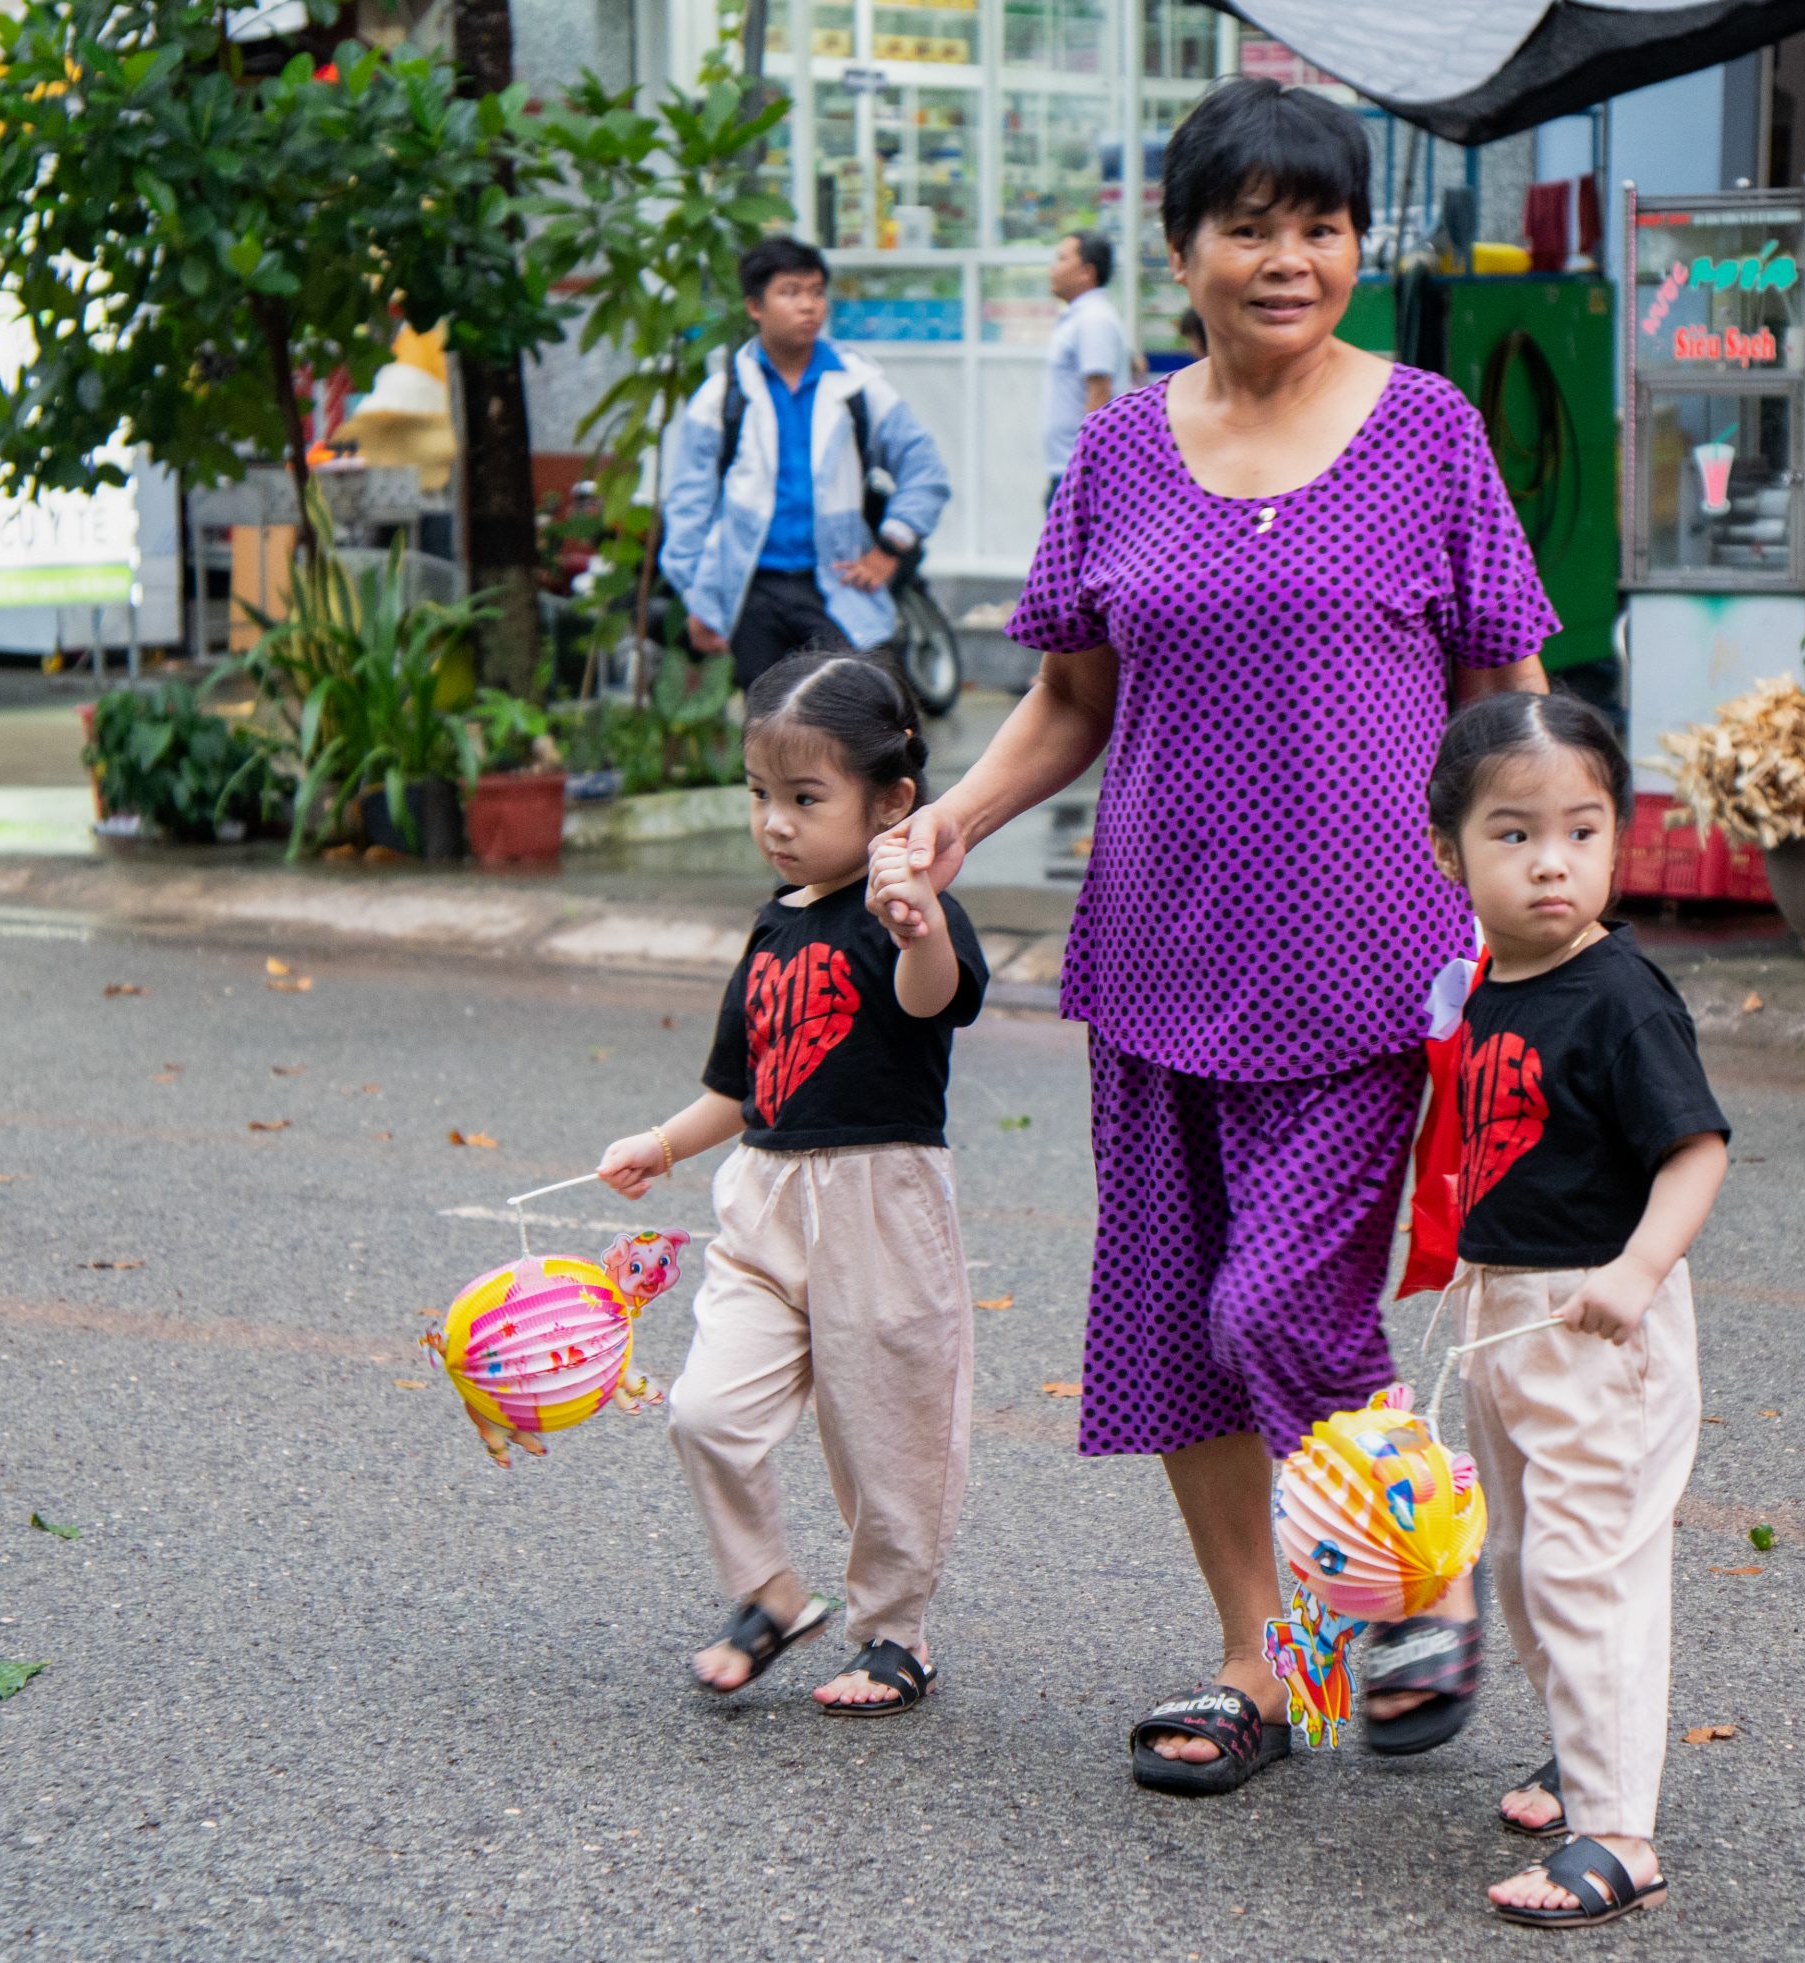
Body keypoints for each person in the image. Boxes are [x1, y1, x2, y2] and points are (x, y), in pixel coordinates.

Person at [867, 75, 1556, 1796]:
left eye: (1318, 225)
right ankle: (1263, 1656)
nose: (1288, 258)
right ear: (1179, 251)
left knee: (1278, 1303)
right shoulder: (1115, 449)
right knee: (1178, 1323)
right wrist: (957, 813)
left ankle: (1415, 1582)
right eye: (1248, 225)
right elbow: (1070, 693)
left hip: (1368, 954)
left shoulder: (1429, 432)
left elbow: (1506, 693)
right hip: (1160, 949)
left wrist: (1536, 890)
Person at [596, 652, 989, 1714]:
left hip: (879, 1205)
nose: (775, 820)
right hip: (763, 1201)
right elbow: (739, 1082)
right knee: (704, 1409)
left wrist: (917, 925)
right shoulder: (772, 924)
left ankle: (894, 1633)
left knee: (888, 1435)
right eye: (760, 794)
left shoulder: (909, 913)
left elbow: (932, 999)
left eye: (804, 798)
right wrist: (665, 1143)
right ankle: (769, 1589)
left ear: (891, 799)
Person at [1422, 691, 1728, 1928]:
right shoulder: (1486, 984)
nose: (1553, 860)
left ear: (1617, 838)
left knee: (1582, 1564)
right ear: (1447, 850)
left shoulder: (1620, 994)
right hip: (1504, 1316)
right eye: (1514, 834)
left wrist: (1639, 1271)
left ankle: (1618, 1832)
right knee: (1517, 1564)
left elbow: (1695, 1150)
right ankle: (1579, 1748)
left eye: (1582, 830)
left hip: (1600, 1324)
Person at [661, 237, 952, 690]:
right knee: (770, 736)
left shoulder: (858, 387)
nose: (809, 306)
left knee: (857, 722)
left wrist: (890, 549)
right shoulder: (721, 399)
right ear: (755, 307)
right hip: (752, 594)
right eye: (791, 292)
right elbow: (688, 505)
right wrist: (699, 597)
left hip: (838, 586)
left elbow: (925, 470)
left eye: (817, 291)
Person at [1043, 229, 1129, 511]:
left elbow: (1099, 392)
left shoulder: (1094, 319)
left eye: (1062, 259)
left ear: (1086, 272)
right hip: (1067, 470)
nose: (1053, 268)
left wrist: (1087, 469)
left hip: (1081, 475)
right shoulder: (1080, 317)